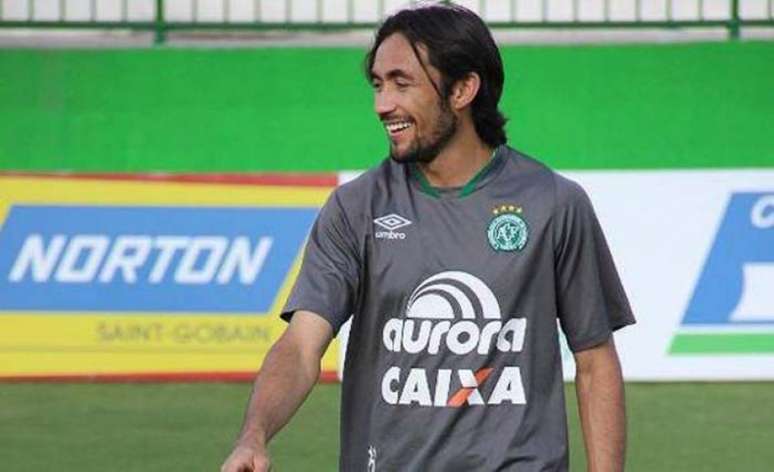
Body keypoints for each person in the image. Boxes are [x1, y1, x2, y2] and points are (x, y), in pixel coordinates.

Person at [221, 4, 635, 471]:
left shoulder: (554, 203)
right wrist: (253, 434)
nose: (382, 104)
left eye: (402, 83)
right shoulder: (356, 208)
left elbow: (595, 360)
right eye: (377, 85)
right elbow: (300, 346)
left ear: (462, 89)